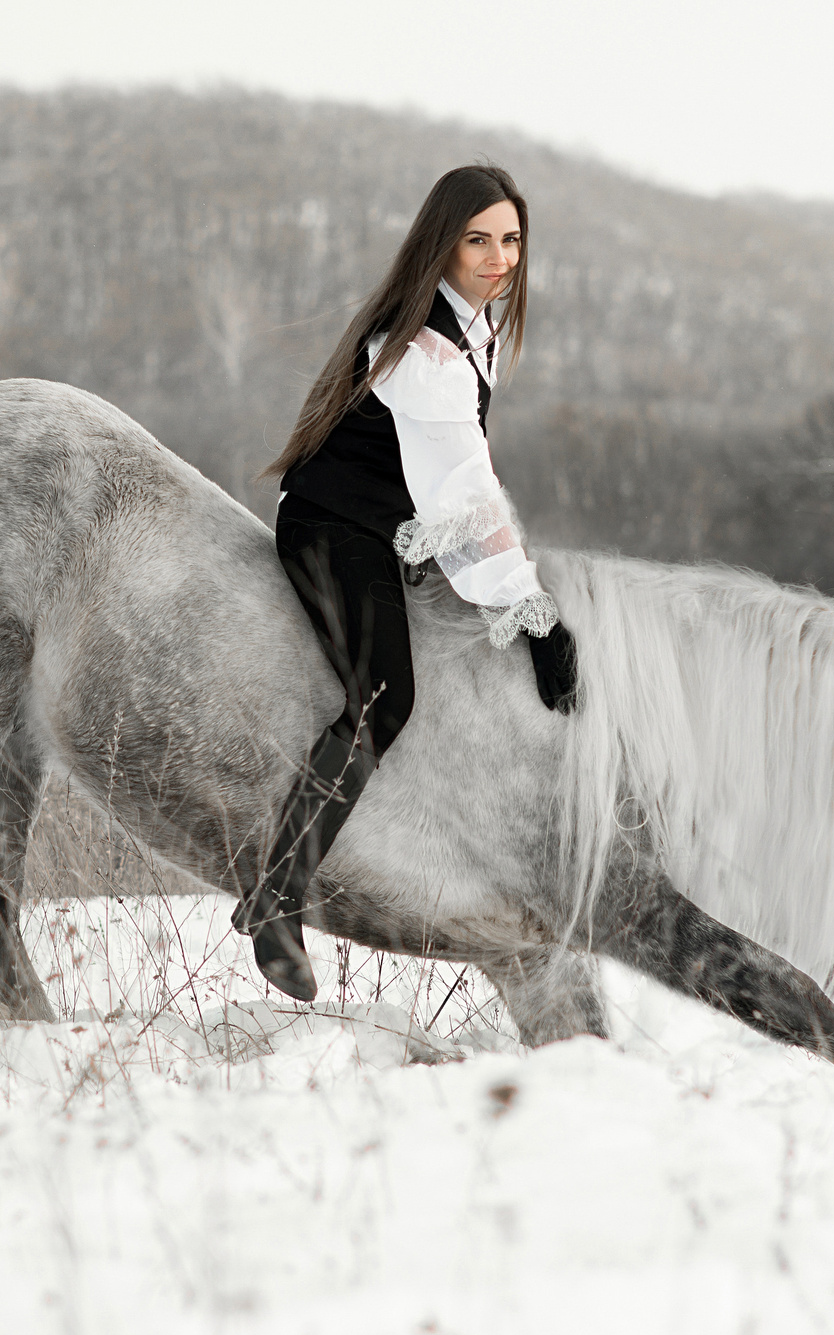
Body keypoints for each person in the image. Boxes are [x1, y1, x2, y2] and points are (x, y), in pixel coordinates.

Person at [236, 163, 580, 1001]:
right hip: (331, 528)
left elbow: (454, 488)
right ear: (442, 244)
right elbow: (465, 490)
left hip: (386, 529)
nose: (499, 259)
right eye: (478, 241)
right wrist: (529, 611)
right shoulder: (424, 348)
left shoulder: (472, 328)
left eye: (511, 240)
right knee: (384, 698)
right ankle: (277, 894)